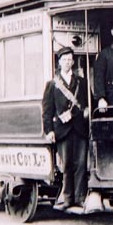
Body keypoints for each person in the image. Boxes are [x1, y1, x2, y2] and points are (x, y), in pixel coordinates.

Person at [42, 46, 89, 211]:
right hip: (62, 130)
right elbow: (47, 110)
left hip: (80, 129)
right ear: (59, 62)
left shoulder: (82, 82)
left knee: (82, 164)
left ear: (73, 62)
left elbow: (89, 103)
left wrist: (87, 110)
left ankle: (81, 198)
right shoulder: (53, 85)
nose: (67, 62)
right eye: (64, 60)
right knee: (67, 164)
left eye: (70, 59)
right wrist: (49, 131)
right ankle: (68, 198)